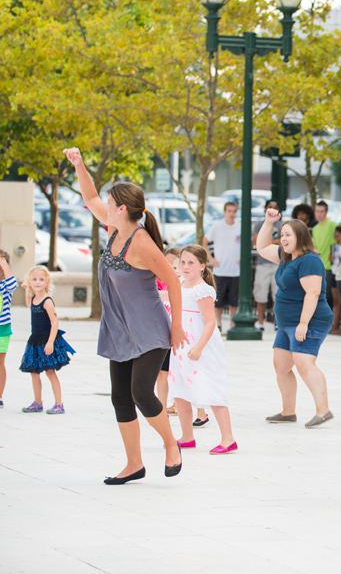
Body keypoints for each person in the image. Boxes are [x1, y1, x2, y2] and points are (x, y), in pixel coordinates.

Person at [65, 147, 185, 485]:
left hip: (148, 330)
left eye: (109, 200)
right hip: (119, 328)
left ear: (121, 208)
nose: (102, 203)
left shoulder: (141, 241)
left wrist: (176, 326)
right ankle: (134, 464)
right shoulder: (113, 227)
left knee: (142, 393)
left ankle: (170, 444)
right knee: (120, 397)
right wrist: (79, 164)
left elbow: (172, 280)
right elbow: (88, 194)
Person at [257, 210, 334, 427]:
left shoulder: (309, 261)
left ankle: (323, 410)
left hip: (309, 321)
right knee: (281, 366)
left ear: (300, 237)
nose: (283, 239)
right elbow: (261, 248)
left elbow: (313, 293)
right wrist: (268, 222)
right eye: (282, 235)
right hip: (286, 323)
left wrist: (303, 323)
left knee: (304, 363)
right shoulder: (285, 256)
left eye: (288, 235)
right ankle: (288, 412)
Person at [170, 245, 237, 454]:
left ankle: (228, 438)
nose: (185, 266)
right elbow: (168, 299)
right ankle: (187, 435)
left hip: (201, 346)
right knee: (179, 389)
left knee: (210, 388)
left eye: (191, 263)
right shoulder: (179, 284)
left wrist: (199, 347)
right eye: (182, 262)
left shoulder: (203, 289)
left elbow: (209, 322)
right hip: (181, 346)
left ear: (202, 266)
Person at [19, 265, 75, 415]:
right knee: (34, 372)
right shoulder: (34, 298)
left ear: (47, 282)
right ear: (30, 282)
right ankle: (37, 402)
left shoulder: (47, 301)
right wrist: (26, 289)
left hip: (46, 339)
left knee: (50, 372)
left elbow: (55, 322)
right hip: (35, 340)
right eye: (34, 279)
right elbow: (29, 305)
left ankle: (59, 404)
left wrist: (50, 342)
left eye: (41, 279)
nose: (37, 282)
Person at [204, 201, 241, 330]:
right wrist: (210, 258)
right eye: (229, 211)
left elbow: (248, 244)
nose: (231, 214)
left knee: (234, 300)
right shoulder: (217, 226)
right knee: (218, 300)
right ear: (225, 212)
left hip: (235, 270)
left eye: (234, 211)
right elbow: (205, 241)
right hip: (220, 270)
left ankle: (232, 323)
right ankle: (218, 323)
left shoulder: (239, 227)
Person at [157, 246, 181, 417]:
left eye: (174, 265)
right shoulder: (156, 280)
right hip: (163, 334)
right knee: (162, 373)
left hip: (180, 336)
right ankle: (162, 407)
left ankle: (200, 412)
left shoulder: (184, 285)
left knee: (182, 373)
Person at [252, 200, 281, 331]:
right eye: (270, 208)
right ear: (265, 209)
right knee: (261, 293)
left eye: (275, 208)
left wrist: (268, 242)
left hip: (277, 263)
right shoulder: (259, 224)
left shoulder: (282, 224)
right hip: (263, 263)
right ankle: (260, 322)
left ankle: (277, 321)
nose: (272, 210)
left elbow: (283, 241)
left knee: (277, 293)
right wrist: (272, 242)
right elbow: (257, 242)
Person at [311, 200, 340, 316]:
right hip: (318, 266)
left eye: (322, 211)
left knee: (327, 295)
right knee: (319, 294)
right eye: (317, 211)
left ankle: (328, 319)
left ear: (326, 212)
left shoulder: (332, 225)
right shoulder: (315, 228)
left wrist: (335, 253)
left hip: (329, 266)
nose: (319, 214)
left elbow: (340, 240)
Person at [0, 250, 17, 409]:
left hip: (2, 330)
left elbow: (13, 284)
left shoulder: (5, 286)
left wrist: (5, 266)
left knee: (0, 363)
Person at [329, 226, 341, 334]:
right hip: (334, 273)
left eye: (339, 235)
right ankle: (334, 326)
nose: (337, 238)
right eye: (335, 236)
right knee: (337, 302)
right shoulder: (335, 247)